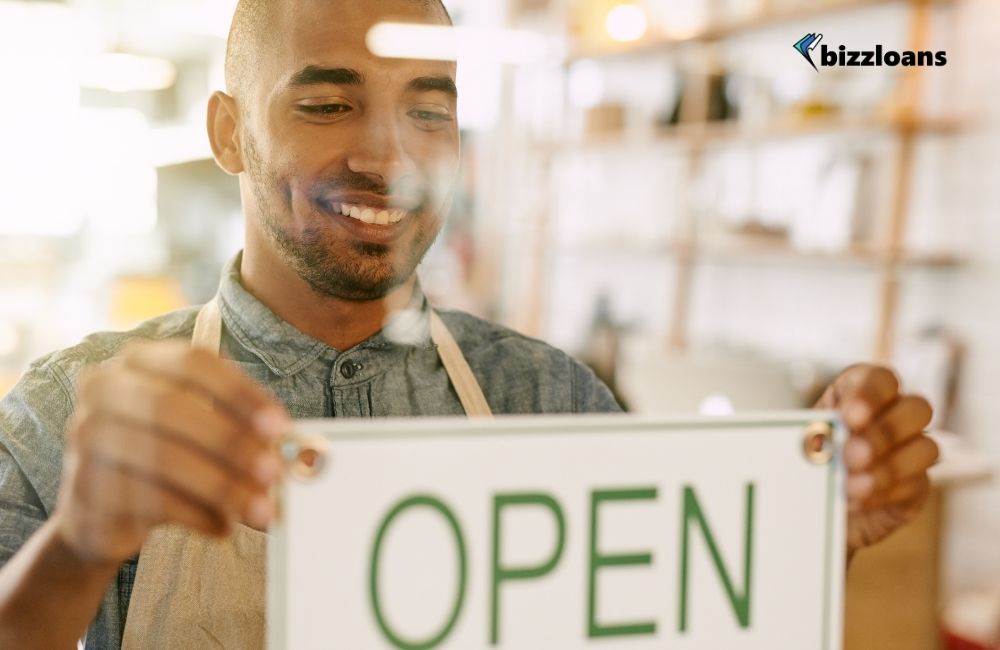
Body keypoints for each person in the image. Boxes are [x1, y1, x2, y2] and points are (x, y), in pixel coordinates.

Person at [0, 0, 939, 647]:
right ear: (228, 131)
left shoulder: (551, 399)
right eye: (327, 104)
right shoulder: (73, 407)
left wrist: (813, 535)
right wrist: (80, 543)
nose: (386, 154)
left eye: (430, 112)